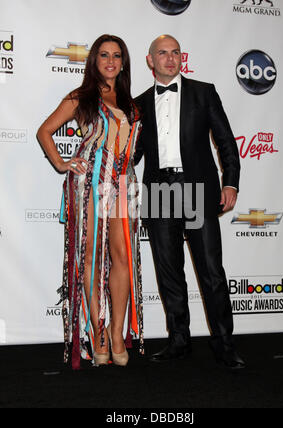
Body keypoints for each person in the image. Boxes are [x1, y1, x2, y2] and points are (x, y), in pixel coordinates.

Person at [134, 35, 245, 369]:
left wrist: (231, 183)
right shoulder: (137, 104)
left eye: (175, 52)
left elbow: (226, 142)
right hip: (157, 190)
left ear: (181, 57)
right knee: (169, 273)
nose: (170, 58)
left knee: (211, 271)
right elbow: (132, 154)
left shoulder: (203, 92)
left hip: (197, 188)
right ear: (150, 61)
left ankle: (224, 344)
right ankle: (179, 341)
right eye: (162, 54)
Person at [37, 34, 144, 370]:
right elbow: (44, 131)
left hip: (124, 186)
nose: (110, 61)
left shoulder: (130, 101)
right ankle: (96, 334)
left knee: (122, 256)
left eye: (116, 55)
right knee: (92, 258)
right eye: (103, 55)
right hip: (89, 184)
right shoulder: (80, 96)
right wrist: (61, 162)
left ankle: (115, 333)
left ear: (123, 62)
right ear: (94, 61)